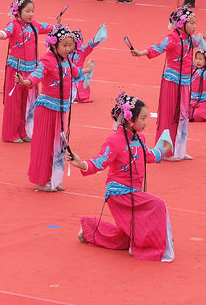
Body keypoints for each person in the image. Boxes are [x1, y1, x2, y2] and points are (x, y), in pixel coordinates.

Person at [68, 91, 174, 261]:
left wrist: (165, 149)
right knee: (157, 204)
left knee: (125, 237)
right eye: (143, 118)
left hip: (134, 193)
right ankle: (146, 246)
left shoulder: (140, 138)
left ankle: (89, 230)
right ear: (130, 119)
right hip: (119, 194)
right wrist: (82, 164)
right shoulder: (114, 141)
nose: (146, 122)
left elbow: (149, 155)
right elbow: (99, 162)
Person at [16, 25, 91, 192]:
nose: (68, 48)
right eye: (64, 45)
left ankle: (53, 178)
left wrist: (88, 69)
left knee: (58, 144)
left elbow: (76, 72)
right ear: (54, 44)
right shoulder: (47, 60)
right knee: (45, 144)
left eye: (70, 45)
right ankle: (42, 181)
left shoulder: (67, 60)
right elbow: (35, 76)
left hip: (61, 110)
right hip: (47, 109)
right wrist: (25, 82)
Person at [0, 0, 61, 142]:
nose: (31, 14)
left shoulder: (35, 25)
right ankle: (11, 134)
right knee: (14, 101)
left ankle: (23, 131)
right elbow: (4, 33)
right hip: (16, 68)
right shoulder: (13, 25)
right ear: (18, 12)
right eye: (27, 11)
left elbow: (50, 28)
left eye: (32, 11)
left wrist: (57, 24)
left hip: (31, 70)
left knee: (28, 101)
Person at [130, 5, 197, 161]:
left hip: (185, 83)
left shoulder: (190, 39)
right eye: (191, 23)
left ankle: (179, 149)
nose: (194, 26)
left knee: (183, 116)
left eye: (195, 23)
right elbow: (158, 47)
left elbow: (201, 42)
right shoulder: (172, 38)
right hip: (172, 82)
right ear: (181, 24)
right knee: (169, 115)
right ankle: (166, 151)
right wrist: (141, 53)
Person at [70, 26, 105, 104]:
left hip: (78, 80)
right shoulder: (64, 52)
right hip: (67, 79)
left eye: (71, 43)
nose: (68, 46)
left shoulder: (82, 51)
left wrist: (99, 32)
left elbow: (92, 44)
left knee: (82, 97)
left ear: (77, 43)